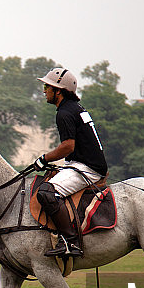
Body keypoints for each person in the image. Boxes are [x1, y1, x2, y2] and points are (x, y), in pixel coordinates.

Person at [33, 68, 108, 257]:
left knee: (46, 192)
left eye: (47, 87)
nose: (44, 91)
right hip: (83, 163)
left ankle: (70, 241)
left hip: (87, 168)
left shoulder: (64, 113)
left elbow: (68, 146)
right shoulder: (75, 108)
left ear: (58, 91)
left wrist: (44, 159)